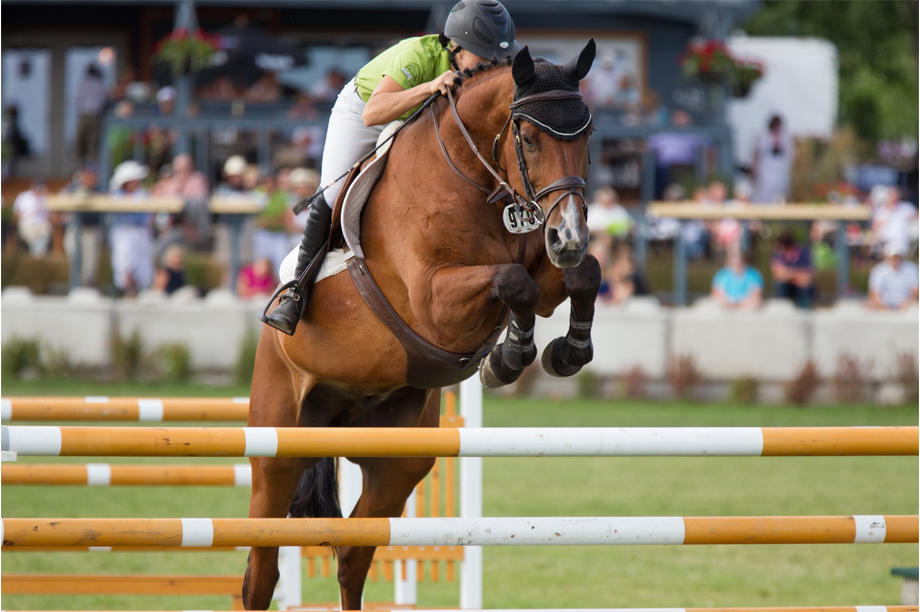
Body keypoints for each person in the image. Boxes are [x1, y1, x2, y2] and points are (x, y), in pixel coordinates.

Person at [262, 0, 521, 335]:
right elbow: (374, 113)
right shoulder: (420, 55)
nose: (491, 65)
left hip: (415, 122)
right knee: (333, 190)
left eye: (497, 58)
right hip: (366, 111)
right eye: (483, 57)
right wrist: (428, 86)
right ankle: (296, 291)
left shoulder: (485, 68)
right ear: (456, 48)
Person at [108, 160, 154, 296]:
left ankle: (140, 292)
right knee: (124, 264)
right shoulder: (116, 195)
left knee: (143, 265)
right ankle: (129, 292)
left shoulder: (143, 194)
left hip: (141, 231)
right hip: (123, 231)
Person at [61, 163, 104, 286]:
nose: (90, 177)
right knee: (73, 254)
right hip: (75, 228)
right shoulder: (73, 187)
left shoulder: (99, 189)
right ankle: (75, 284)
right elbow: (63, 201)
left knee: (89, 263)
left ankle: (86, 285)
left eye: (92, 175)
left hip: (91, 228)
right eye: (87, 174)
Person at [752, 115, 794, 204]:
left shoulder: (786, 136)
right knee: (766, 188)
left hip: (780, 166)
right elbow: (757, 153)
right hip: (766, 166)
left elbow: (790, 153)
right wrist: (754, 169)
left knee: (781, 188)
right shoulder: (763, 135)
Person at [867, 242, 919, 310]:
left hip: (907, 308)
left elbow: (916, 291)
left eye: (897, 256)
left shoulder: (911, 268)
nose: (895, 259)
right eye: (893, 257)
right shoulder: (878, 271)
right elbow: (874, 293)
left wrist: (908, 303)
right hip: (884, 308)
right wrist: (884, 307)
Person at [770, 230, 815, 308]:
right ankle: (782, 310)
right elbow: (778, 276)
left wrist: (787, 272)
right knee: (781, 285)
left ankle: (805, 312)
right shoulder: (777, 255)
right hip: (788, 285)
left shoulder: (804, 253)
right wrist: (798, 274)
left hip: (801, 286)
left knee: (806, 286)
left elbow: (808, 276)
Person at [74, 64, 107, 163]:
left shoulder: (83, 83)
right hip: (95, 116)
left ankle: (80, 167)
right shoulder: (99, 83)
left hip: (84, 115)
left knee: (80, 142)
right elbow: (103, 100)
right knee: (93, 144)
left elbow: (76, 99)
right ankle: (91, 168)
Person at [871, 185, 917, 256]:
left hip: (902, 243)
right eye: (891, 194)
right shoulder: (880, 210)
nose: (894, 197)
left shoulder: (906, 207)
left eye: (896, 194)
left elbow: (916, 216)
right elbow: (875, 228)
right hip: (885, 244)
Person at [13, 179, 51, 257]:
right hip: (27, 223)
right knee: (31, 234)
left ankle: (36, 256)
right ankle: (37, 256)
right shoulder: (23, 196)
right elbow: (17, 214)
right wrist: (29, 213)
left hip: (42, 223)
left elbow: (50, 215)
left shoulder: (45, 197)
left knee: (45, 231)